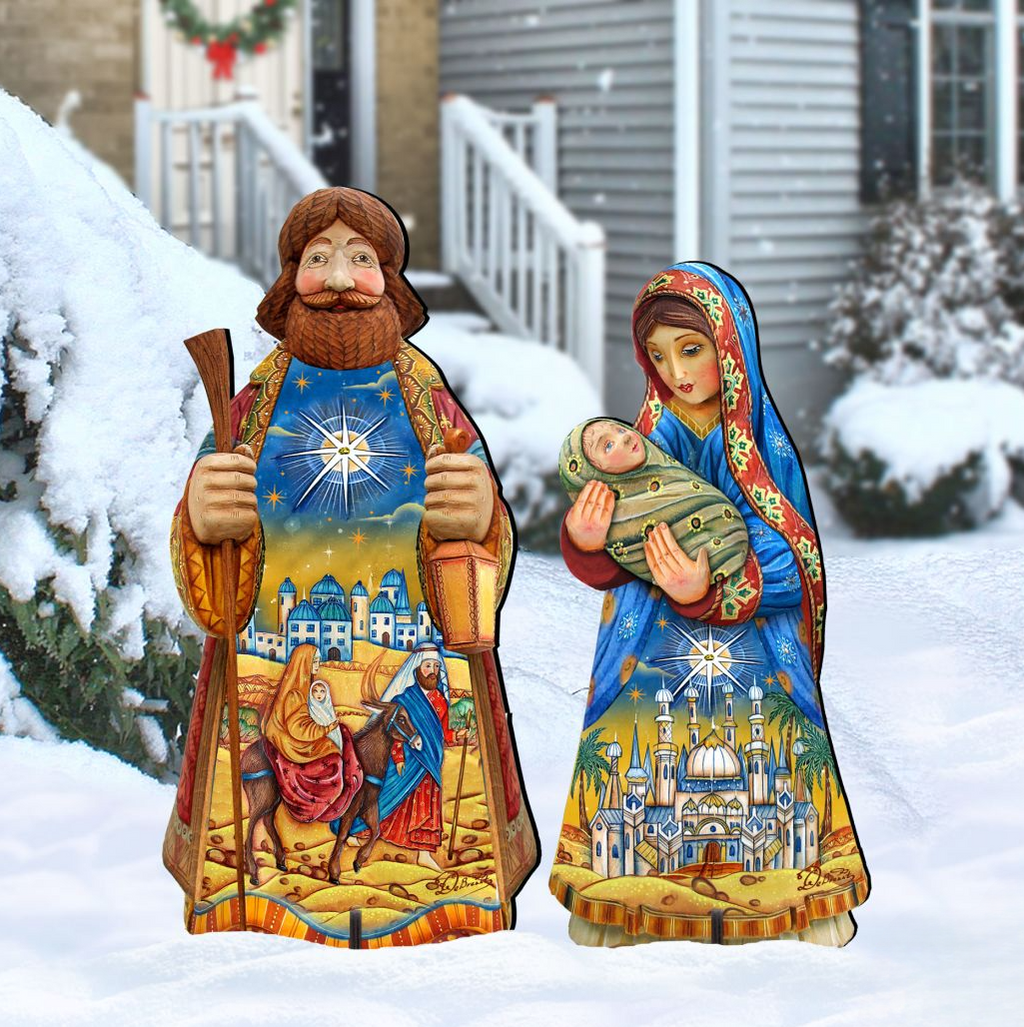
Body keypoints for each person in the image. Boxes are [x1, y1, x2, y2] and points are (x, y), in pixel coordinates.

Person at [163, 187, 537, 948]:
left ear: (390, 280)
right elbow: (203, 527)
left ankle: (426, 875)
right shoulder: (255, 401)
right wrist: (203, 516)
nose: (338, 278)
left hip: (423, 628)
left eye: (360, 258)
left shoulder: (426, 396)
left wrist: (479, 515)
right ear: (290, 278)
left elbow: (481, 522)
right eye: (318, 258)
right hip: (269, 624)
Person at [549, 262, 871, 947]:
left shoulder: (760, 446)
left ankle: (798, 903)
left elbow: (795, 557)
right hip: (653, 641)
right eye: (659, 356)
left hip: (752, 645)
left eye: (691, 349)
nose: (676, 372)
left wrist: (717, 588)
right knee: (640, 757)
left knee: (776, 759)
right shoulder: (636, 439)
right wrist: (588, 541)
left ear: (730, 346)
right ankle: (627, 903)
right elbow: (618, 544)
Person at [559, 416, 749, 585]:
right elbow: (623, 575)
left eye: (621, 430)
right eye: (608, 445)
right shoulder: (623, 522)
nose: (625, 437)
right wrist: (584, 545)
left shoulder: (664, 462)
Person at [344, 643, 463, 871]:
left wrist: (458, 734)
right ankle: (361, 833)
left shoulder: (440, 701)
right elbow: (395, 732)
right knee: (389, 799)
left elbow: (444, 732)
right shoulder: (405, 699)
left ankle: (423, 853)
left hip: (429, 762)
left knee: (425, 806)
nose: (432, 671)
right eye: (428, 666)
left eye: (436, 667)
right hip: (407, 761)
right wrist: (398, 758)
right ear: (417, 669)